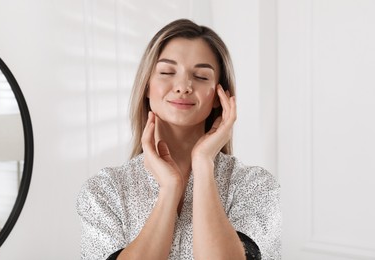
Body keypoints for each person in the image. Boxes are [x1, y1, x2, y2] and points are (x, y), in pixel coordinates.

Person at [76, 18, 281, 260]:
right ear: (146, 87)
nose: (183, 86)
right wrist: (169, 189)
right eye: (167, 72)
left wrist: (203, 163)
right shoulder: (104, 191)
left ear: (219, 96)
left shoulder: (256, 186)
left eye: (202, 76)